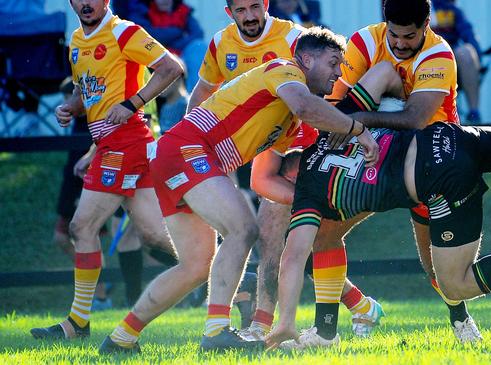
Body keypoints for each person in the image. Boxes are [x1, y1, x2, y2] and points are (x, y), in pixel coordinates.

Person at [96, 26, 379, 354]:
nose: (338, 72)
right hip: (188, 151)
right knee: (243, 228)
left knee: (195, 267)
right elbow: (304, 107)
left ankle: (120, 339)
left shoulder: (290, 117)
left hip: (177, 157)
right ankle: (216, 333)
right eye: (333, 62)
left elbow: (294, 156)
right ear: (305, 59)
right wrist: (358, 129)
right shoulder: (284, 70)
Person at [266, 93, 491, 350]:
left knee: (455, 283)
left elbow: (294, 257)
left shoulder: (307, 194)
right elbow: (382, 78)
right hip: (448, 135)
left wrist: (284, 322)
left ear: (288, 175)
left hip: (440, 179)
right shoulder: (331, 129)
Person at [188, 0, 380, 340]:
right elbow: (204, 92)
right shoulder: (221, 43)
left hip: (301, 143)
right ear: (228, 11)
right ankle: (359, 306)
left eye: (254, 7)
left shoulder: (293, 37)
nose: (249, 16)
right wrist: (196, 141)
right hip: (267, 143)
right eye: (240, 10)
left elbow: (332, 83)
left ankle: (263, 325)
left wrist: (349, 127)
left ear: (265, 4)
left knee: (278, 235)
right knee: (291, 239)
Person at [325, 0, 482, 343]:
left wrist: (359, 120)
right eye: (393, 34)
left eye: (408, 36)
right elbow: (334, 104)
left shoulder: (439, 53)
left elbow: (414, 119)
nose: (399, 43)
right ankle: (338, 321)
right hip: (374, 156)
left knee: (436, 267)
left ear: (426, 23)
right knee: (319, 233)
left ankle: (460, 317)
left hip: (433, 164)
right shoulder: (365, 42)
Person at [30, 0, 183, 340]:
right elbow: (89, 93)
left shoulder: (123, 31)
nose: (86, 3)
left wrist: (132, 104)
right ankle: (221, 270)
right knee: (154, 236)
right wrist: (70, 107)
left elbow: (171, 68)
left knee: (81, 225)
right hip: (112, 144)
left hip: (126, 143)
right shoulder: (76, 41)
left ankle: (77, 323)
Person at [130, 0, 207, 90]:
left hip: (180, 57)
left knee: (199, 47)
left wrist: (174, 44)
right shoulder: (142, 11)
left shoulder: (182, 10)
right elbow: (147, 35)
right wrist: (177, 32)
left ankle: (195, 97)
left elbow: (198, 33)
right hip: (156, 58)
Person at [430, 0, 483, 123]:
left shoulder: (450, 9)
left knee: (467, 52)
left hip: (450, 56)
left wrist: (477, 56)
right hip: (424, 58)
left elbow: (468, 35)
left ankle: (474, 114)